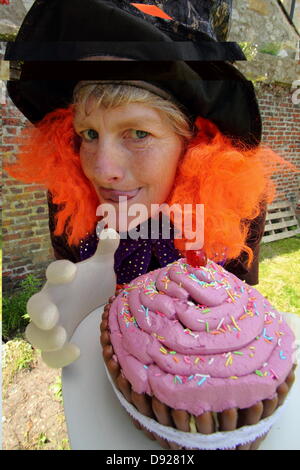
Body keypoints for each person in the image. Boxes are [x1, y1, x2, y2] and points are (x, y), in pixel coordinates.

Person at [4, 0, 287, 290]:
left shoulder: (237, 207)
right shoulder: (69, 199)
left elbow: (245, 310)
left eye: (138, 134)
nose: (102, 171)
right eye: (89, 134)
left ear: (193, 145)